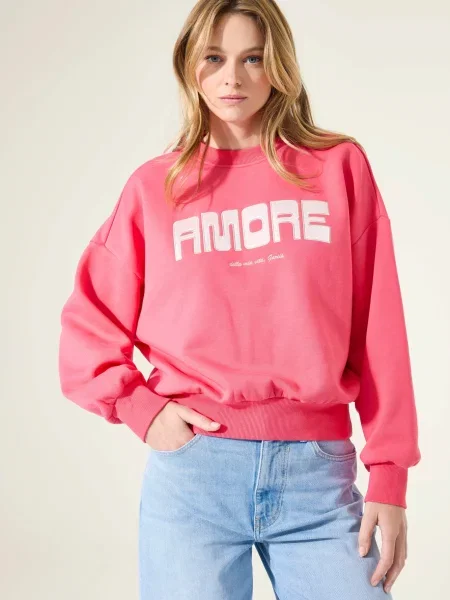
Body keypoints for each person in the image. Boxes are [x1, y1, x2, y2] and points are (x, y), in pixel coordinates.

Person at [58, 1, 421, 598]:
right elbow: (87, 328)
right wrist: (141, 409)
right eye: (214, 58)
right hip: (194, 475)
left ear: (279, 66)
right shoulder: (156, 187)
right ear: (189, 65)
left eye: (253, 58)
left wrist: (389, 473)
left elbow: (378, 326)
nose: (233, 77)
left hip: (317, 478)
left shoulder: (336, 168)